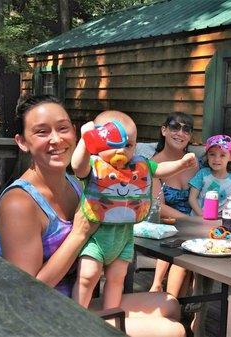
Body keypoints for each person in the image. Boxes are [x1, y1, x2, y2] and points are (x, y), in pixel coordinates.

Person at [0, 95, 186, 337]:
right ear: (22, 142)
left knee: (169, 303)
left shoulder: (75, 184)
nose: (56, 139)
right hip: (41, 316)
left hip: (74, 300)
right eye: (42, 132)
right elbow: (27, 291)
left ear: (76, 133)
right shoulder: (19, 202)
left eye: (63, 129)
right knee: (173, 331)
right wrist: (79, 233)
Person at [70, 110, 197, 310]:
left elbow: (159, 170)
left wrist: (181, 165)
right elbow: (77, 166)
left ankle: (110, 317)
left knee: (116, 280)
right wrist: (85, 140)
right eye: (114, 144)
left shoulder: (139, 166)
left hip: (124, 238)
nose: (122, 151)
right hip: (96, 236)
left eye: (128, 145)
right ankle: (77, 317)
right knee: (87, 276)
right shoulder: (94, 165)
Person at [149, 112, 200, 297]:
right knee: (184, 257)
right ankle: (170, 304)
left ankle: (188, 311)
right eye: (174, 127)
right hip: (166, 226)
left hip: (193, 226)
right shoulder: (153, 165)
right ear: (164, 130)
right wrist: (191, 221)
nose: (181, 133)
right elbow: (158, 207)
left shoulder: (196, 164)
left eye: (186, 129)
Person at [188, 134, 231, 216]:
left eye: (222, 155)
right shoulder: (202, 174)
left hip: (220, 223)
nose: (217, 159)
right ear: (207, 156)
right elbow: (192, 199)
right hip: (197, 221)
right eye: (212, 154)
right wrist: (202, 216)